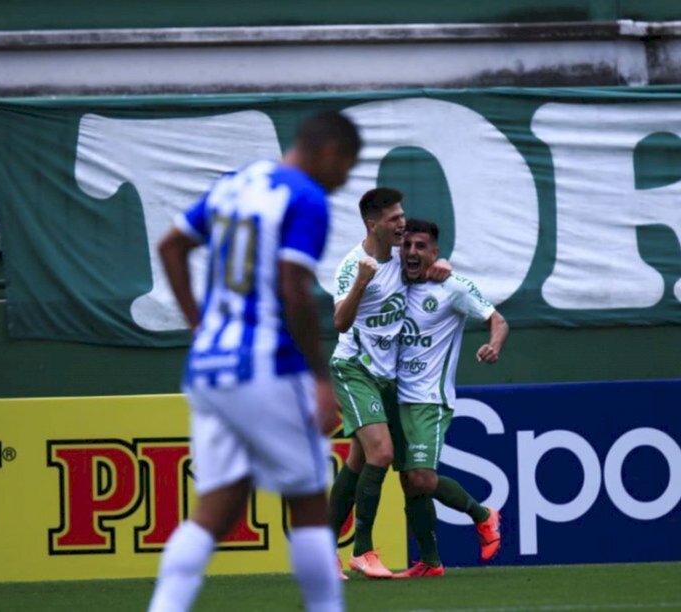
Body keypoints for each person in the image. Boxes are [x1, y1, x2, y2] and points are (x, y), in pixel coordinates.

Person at [148, 110, 361, 612]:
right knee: (309, 501)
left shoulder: (233, 186)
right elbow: (293, 287)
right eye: (348, 167)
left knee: (216, 510)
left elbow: (171, 245)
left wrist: (200, 325)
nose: (344, 180)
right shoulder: (305, 197)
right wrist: (318, 376)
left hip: (210, 368)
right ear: (331, 153)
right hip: (267, 366)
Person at [327, 188, 450, 579]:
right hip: (353, 369)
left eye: (402, 215)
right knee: (381, 453)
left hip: (387, 377)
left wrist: (440, 265)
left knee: (362, 462)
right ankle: (362, 550)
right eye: (395, 219)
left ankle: (322, 553)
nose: (402, 224)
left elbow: (426, 265)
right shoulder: (353, 266)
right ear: (373, 224)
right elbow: (340, 324)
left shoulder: (400, 257)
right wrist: (362, 283)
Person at [391, 218, 508, 578]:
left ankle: (482, 514)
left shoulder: (453, 288)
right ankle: (430, 562)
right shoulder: (390, 280)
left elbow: (498, 320)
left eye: (421, 246)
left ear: (435, 252)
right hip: (393, 399)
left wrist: (493, 345)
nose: (412, 252)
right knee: (409, 482)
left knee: (423, 478)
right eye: (407, 245)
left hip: (429, 400)